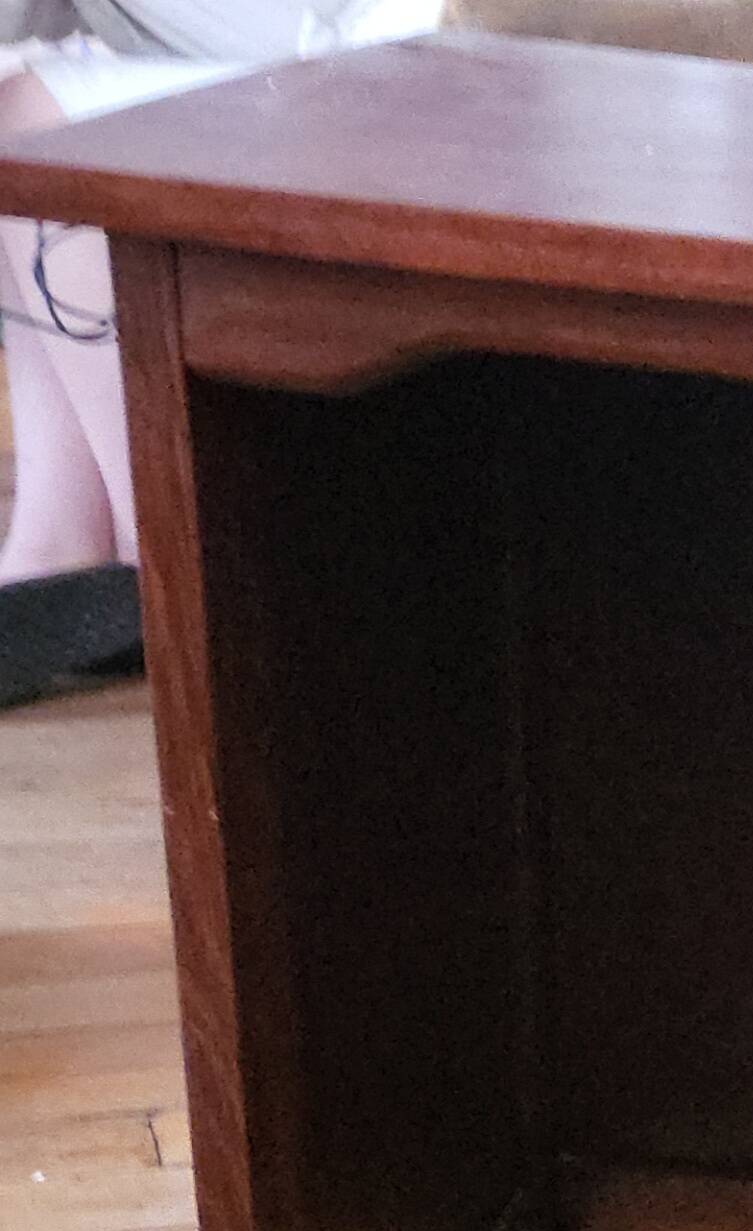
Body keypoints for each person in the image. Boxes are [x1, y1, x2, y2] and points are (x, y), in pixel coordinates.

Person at [0, 2, 438, 705]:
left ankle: (170, 553)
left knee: (40, 116)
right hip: (297, 45)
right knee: (19, 112)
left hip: (384, 49)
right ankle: (61, 538)